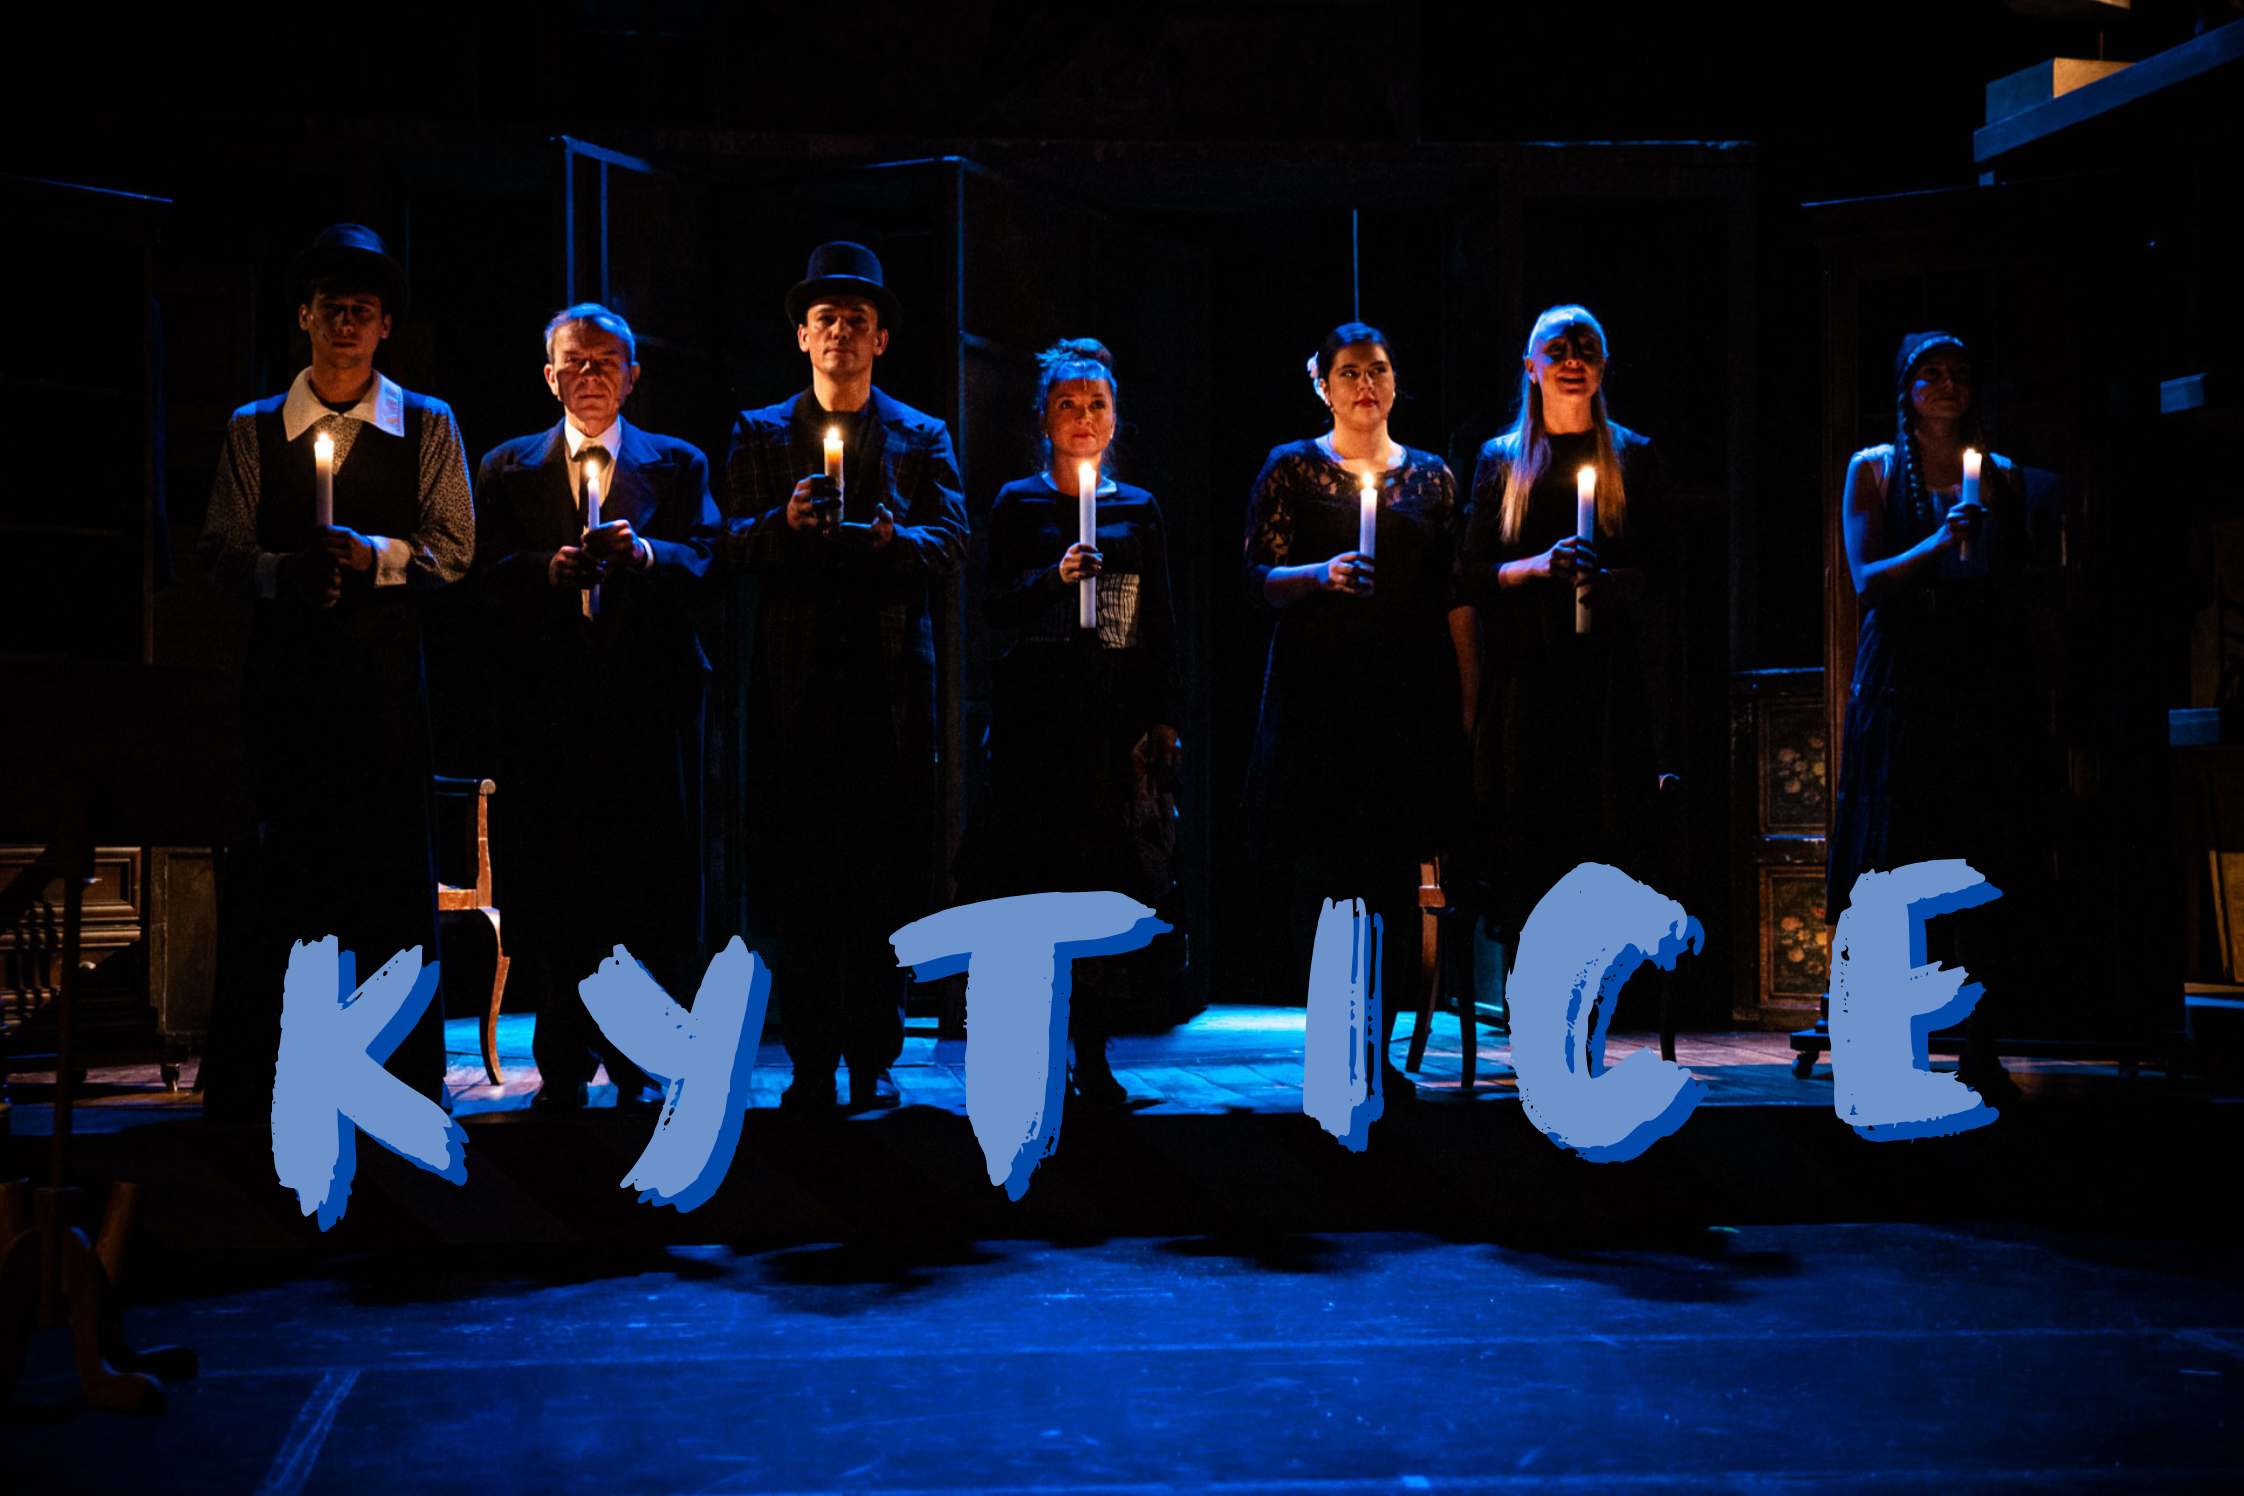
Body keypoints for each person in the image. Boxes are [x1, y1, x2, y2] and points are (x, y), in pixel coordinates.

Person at [196, 223, 473, 1116]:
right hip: (287, 683)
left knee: (386, 874)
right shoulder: (254, 428)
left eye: (363, 309)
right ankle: (265, 1077)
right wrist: (284, 572)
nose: (346, 323)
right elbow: (220, 549)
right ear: (304, 319)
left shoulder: (427, 423)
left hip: (383, 684)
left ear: (386, 325)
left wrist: (375, 558)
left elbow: (455, 546)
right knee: (285, 872)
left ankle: (398, 1074)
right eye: (331, 308)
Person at [722, 242, 968, 1114]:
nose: (840, 332)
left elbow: (952, 540)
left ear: (880, 338)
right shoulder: (760, 432)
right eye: (825, 318)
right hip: (796, 691)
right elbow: (729, 544)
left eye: (856, 320)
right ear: (802, 336)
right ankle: (811, 1060)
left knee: (882, 882)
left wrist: (896, 542)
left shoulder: (921, 435)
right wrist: (784, 524)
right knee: (803, 884)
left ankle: (874, 1056)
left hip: (887, 691)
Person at [471, 303, 721, 1109]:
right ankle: (564, 1060)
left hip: (645, 706)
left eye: (605, 361)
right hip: (548, 709)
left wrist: (643, 553)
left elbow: (709, 559)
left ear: (632, 375)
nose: (589, 375)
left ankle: (642, 1058)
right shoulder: (507, 466)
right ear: (549, 377)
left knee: (644, 882)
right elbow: (475, 572)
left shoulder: (677, 463)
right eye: (574, 362)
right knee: (554, 884)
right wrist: (544, 571)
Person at [959, 338, 1182, 1109]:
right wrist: (1053, 578)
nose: (1083, 417)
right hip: (1038, 723)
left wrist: (1163, 717)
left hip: (1110, 724)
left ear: (1114, 418)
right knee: (1037, 887)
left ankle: (1095, 1051)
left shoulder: (1137, 508)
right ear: (1043, 417)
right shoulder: (1017, 504)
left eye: (1097, 404)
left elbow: (1158, 621)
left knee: (1101, 889)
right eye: (1067, 404)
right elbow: (994, 606)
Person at [1242, 322, 1462, 1103]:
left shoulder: (1431, 477)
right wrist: (1320, 575)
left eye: (1378, 370)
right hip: (1321, 699)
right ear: (1322, 384)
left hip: (1404, 699)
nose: (1365, 384)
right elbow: (1258, 579)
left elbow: (1453, 591)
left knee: (1396, 875)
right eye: (1349, 372)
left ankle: (1379, 1051)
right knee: (1329, 877)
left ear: (1395, 381)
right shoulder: (1292, 469)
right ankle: (1336, 1046)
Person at [1829, 330, 2042, 1102]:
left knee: (1978, 860)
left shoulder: (2001, 474)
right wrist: (1940, 541)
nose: (1948, 384)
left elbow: (2017, 579)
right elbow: (1867, 579)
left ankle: (1980, 1049)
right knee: (1898, 863)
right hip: (1904, 680)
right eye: (1931, 374)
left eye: (1960, 372)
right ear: (1907, 389)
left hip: (1978, 679)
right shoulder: (1876, 469)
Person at [1453, 304, 1668, 957]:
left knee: (1603, 832)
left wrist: (1616, 581)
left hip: (1605, 677)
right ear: (1531, 367)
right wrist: (1538, 566)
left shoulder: (1633, 456)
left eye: (1585, 349)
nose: (1572, 360)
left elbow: (1661, 569)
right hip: (1528, 671)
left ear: (1603, 366)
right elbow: (1470, 576)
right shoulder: (1502, 460)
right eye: (1558, 350)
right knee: (1530, 832)